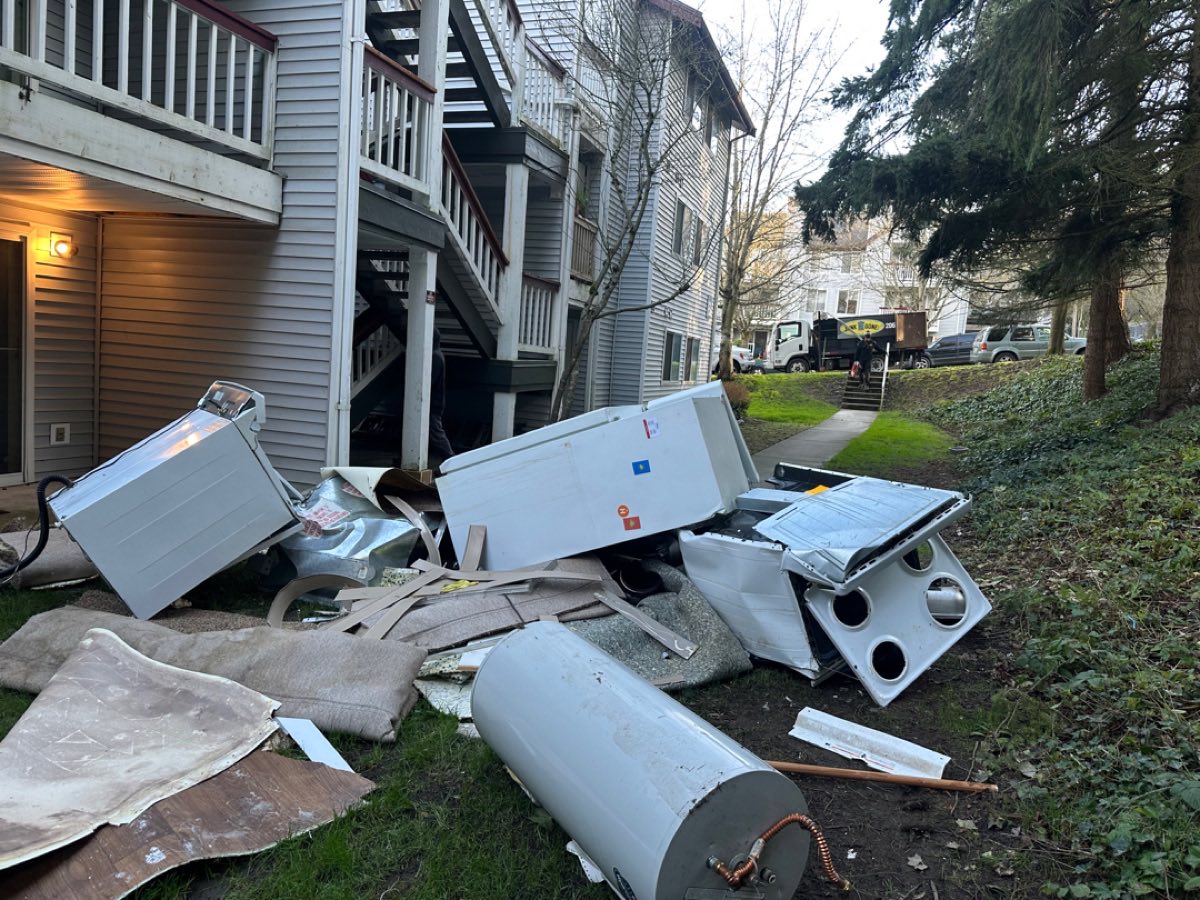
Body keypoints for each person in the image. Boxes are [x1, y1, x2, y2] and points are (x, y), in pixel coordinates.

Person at [429, 329, 456, 463]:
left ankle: (451, 460)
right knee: (434, 433)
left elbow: (430, 381)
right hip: (436, 402)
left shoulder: (435, 357)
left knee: (436, 434)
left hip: (433, 403)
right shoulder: (438, 354)